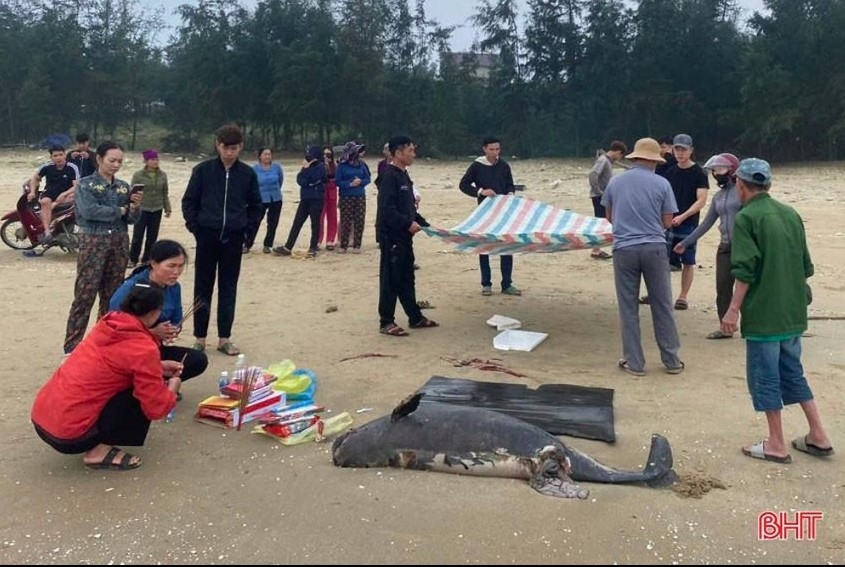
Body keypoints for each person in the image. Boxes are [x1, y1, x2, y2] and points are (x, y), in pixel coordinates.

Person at [720, 158, 833, 463]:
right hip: (793, 312)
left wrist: (732, 310)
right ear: (768, 185)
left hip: (765, 315)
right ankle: (818, 434)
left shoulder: (747, 218)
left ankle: (776, 443)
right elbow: (805, 266)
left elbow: (745, 270)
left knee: (765, 377)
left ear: (740, 185)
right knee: (793, 372)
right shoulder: (790, 213)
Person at [33, 283, 183, 471]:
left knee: (121, 383)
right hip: (70, 437)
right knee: (140, 393)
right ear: (154, 313)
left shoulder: (107, 324)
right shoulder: (143, 347)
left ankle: (93, 438)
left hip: (42, 419)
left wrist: (157, 367)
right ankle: (98, 451)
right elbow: (156, 408)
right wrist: (172, 388)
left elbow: (111, 362)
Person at [601, 137, 684, 376]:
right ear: (653, 160)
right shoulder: (662, 184)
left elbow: (609, 216)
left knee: (628, 307)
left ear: (635, 158)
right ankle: (672, 361)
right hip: (655, 248)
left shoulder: (616, 182)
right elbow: (668, 221)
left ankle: (635, 363)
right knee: (662, 305)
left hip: (624, 248)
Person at [181, 124, 262, 356]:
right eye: (226, 147)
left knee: (228, 287)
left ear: (241, 147)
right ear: (218, 144)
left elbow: (256, 206)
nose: (229, 152)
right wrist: (196, 227)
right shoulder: (202, 171)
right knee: (202, 287)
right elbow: (189, 202)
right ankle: (200, 338)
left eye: (234, 148)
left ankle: (224, 337)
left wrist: (248, 233)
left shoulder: (247, 174)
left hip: (234, 238)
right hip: (207, 235)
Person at [64, 141, 142, 355]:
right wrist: (121, 210)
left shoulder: (124, 187)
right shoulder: (85, 185)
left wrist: (134, 206)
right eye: (112, 160)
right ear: (99, 159)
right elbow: (90, 211)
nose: (116, 165)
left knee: (113, 296)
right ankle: (72, 347)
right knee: (84, 295)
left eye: (120, 161)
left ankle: (104, 344)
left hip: (118, 243)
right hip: (93, 243)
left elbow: (133, 219)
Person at [109, 240, 209, 385]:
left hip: (155, 348)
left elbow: (176, 318)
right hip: (128, 352)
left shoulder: (174, 287)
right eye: (171, 266)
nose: (176, 272)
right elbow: (113, 330)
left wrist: (172, 330)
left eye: (180, 266)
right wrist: (151, 332)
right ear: (154, 264)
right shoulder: (132, 288)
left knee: (197, 360)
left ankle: (158, 383)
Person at [673, 153, 742, 339]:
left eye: (720, 168)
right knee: (723, 288)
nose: (716, 172)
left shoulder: (743, 192)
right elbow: (706, 223)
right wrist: (685, 243)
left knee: (748, 287)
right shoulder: (718, 197)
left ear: (732, 170)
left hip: (744, 247)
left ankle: (753, 324)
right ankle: (725, 327)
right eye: (714, 169)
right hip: (725, 246)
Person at [376, 135, 438, 336]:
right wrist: (406, 223)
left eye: (413, 149)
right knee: (391, 279)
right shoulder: (389, 176)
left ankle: (415, 317)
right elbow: (387, 210)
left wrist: (423, 223)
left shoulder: (404, 176)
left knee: (407, 278)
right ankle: (386, 321)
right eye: (410, 150)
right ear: (397, 153)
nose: (414, 154)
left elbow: (408, 207)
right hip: (392, 237)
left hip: (405, 238)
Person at [641, 133, 710, 308]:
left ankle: (683, 296)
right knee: (661, 260)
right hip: (667, 223)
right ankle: (658, 293)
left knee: (688, 260)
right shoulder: (669, 171)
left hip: (689, 224)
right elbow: (661, 197)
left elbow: (701, 200)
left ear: (691, 151)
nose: (680, 152)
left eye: (683, 149)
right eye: (677, 149)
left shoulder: (699, 172)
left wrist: (683, 216)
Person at [459, 136, 520, 296]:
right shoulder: (477, 165)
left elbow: (510, 185)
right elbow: (463, 184)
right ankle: (486, 283)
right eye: (491, 149)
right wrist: (480, 191)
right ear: (484, 149)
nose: (495, 152)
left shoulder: (504, 165)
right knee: (484, 246)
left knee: (507, 245)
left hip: (503, 212)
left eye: (497, 149)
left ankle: (507, 283)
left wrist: (510, 195)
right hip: (484, 213)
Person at [273, 145, 326, 258]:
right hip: (305, 198)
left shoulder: (321, 166)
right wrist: (307, 177)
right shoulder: (306, 166)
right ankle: (288, 247)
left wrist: (307, 169)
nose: (308, 156)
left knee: (315, 224)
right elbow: (299, 179)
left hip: (316, 199)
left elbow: (315, 178)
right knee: (297, 222)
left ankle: (313, 247)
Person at [27, 145, 80, 241]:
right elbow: (35, 179)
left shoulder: (72, 167)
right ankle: (47, 232)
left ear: (65, 155)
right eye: (55, 156)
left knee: (73, 196)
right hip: (50, 193)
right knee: (45, 202)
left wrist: (63, 195)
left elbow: (76, 186)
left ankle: (54, 208)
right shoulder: (47, 167)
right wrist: (32, 192)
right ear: (51, 158)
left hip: (67, 194)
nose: (58, 158)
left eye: (61, 155)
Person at [129, 149, 171, 267]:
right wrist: (132, 207)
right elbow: (133, 192)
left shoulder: (163, 175)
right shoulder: (138, 175)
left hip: (156, 209)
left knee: (152, 236)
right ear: (146, 161)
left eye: (157, 159)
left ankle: (147, 260)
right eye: (152, 159)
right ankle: (133, 259)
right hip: (142, 209)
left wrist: (167, 208)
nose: (155, 162)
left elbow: (165, 192)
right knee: (138, 235)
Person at [587, 140, 628, 259]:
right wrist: (599, 192)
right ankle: (595, 250)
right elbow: (593, 174)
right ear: (618, 152)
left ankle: (597, 249)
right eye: (621, 155)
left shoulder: (607, 161)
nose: (620, 158)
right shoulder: (603, 160)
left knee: (604, 221)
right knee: (601, 222)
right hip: (600, 197)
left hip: (604, 196)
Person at [245, 148, 284, 254]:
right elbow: (251, 186)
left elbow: (280, 180)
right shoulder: (254, 169)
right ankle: (247, 244)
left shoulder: (277, 168)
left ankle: (267, 244)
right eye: (265, 154)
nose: (267, 156)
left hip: (276, 198)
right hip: (260, 199)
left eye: (269, 154)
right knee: (254, 222)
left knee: (272, 223)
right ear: (260, 156)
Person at [336, 141, 371, 253]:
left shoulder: (361, 164)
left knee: (359, 220)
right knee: (346, 220)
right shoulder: (342, 166)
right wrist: (349, 184)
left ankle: (357, 245)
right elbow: (337, 181)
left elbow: (368, 179)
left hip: (360, 195)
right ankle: (343, 245)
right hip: (346, 196)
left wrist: (361, 182)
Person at [318, 146, 338, 251]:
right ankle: (318, 239)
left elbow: (337, 179)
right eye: (325, 154)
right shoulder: (318, 166)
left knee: (332, 217)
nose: (327, 156)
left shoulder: (335, 166)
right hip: (321, 193)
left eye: (329, 154)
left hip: (332, 193)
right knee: (319, 217)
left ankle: (330, 239)